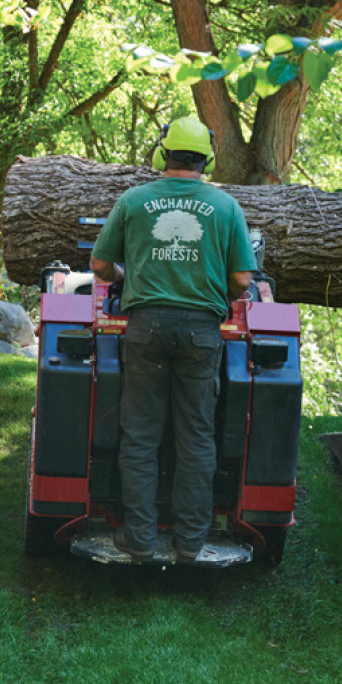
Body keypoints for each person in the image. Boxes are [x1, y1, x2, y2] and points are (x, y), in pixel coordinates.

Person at [90, 116, 256, 563]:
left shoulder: (134, 200)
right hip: (202, 332)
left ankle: (139, 539)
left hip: (145, 329)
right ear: (208, 158)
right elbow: (243, 277)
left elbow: (101, 267)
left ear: (163, 154)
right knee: (197, 437)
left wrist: (127, 275)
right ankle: (191, 542)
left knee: (141, 436)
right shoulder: (225, 207)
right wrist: (221, 294)